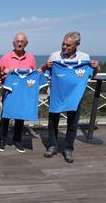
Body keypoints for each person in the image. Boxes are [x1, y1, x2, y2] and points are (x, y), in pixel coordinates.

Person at [43, 31, 100, 163]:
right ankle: (52, 145)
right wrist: (47, 65)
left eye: (68, 45)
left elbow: (91, 74)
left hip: (74, 96)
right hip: (56, 95)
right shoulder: (54, 56)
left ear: (77, 45)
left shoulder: (84, 58)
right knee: (52, 122)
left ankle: (68, 148)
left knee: (73, 124)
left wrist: (96, 67)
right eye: (63, 44)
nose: (64, 47)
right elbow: (45, 72)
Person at [0, 33, 36, 153]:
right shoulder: (5, 57)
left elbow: (33, 76)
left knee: (21, 115)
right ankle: (2, 139)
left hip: (24, 91)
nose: (19, 43)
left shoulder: (31, 58)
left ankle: (17, 140)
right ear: (13, 43)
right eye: (17, 41)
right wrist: (2, 72)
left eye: (22, 41)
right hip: (9, 90)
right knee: (5, 115)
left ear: (26, 43)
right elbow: (0, 75)